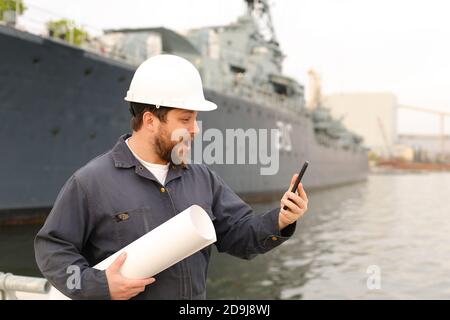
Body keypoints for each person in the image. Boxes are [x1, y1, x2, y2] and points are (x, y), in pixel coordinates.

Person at [34, 54, 308, 300]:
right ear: (150, 120)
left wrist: (282, 220)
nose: (195, 130)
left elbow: (240, 236)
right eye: (185, 120)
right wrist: (98, 285)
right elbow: (53, 251)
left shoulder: (203, 178)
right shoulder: (91, 182)